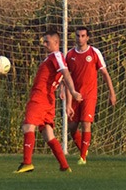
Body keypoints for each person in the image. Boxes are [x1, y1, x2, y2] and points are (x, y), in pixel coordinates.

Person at [14, 30, 83, 173]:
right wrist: (68, 101)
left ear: (56, 43)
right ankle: (64, 166)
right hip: (48, 100)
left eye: (47, 41)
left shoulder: (56, 55)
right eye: (43, 41)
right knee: (48, 133)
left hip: (40, 97)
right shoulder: (53, 58)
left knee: (28, 127)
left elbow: (65, 73)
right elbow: (63, 76)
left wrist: (74, 91)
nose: (44, 44)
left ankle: (27, 163)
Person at [65, 26, 116, 165]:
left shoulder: (94, 52)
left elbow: (105, 74)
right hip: (75, 95)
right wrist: (62, 90)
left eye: (83, 36)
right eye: (77, 36)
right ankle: (83, 148)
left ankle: (82, 157)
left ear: (87, 37)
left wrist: (112, 93)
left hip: (90, 94)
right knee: (72, 128)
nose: (80, 38)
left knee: (86, 124)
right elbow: (65, 75)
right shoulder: (69, 55)